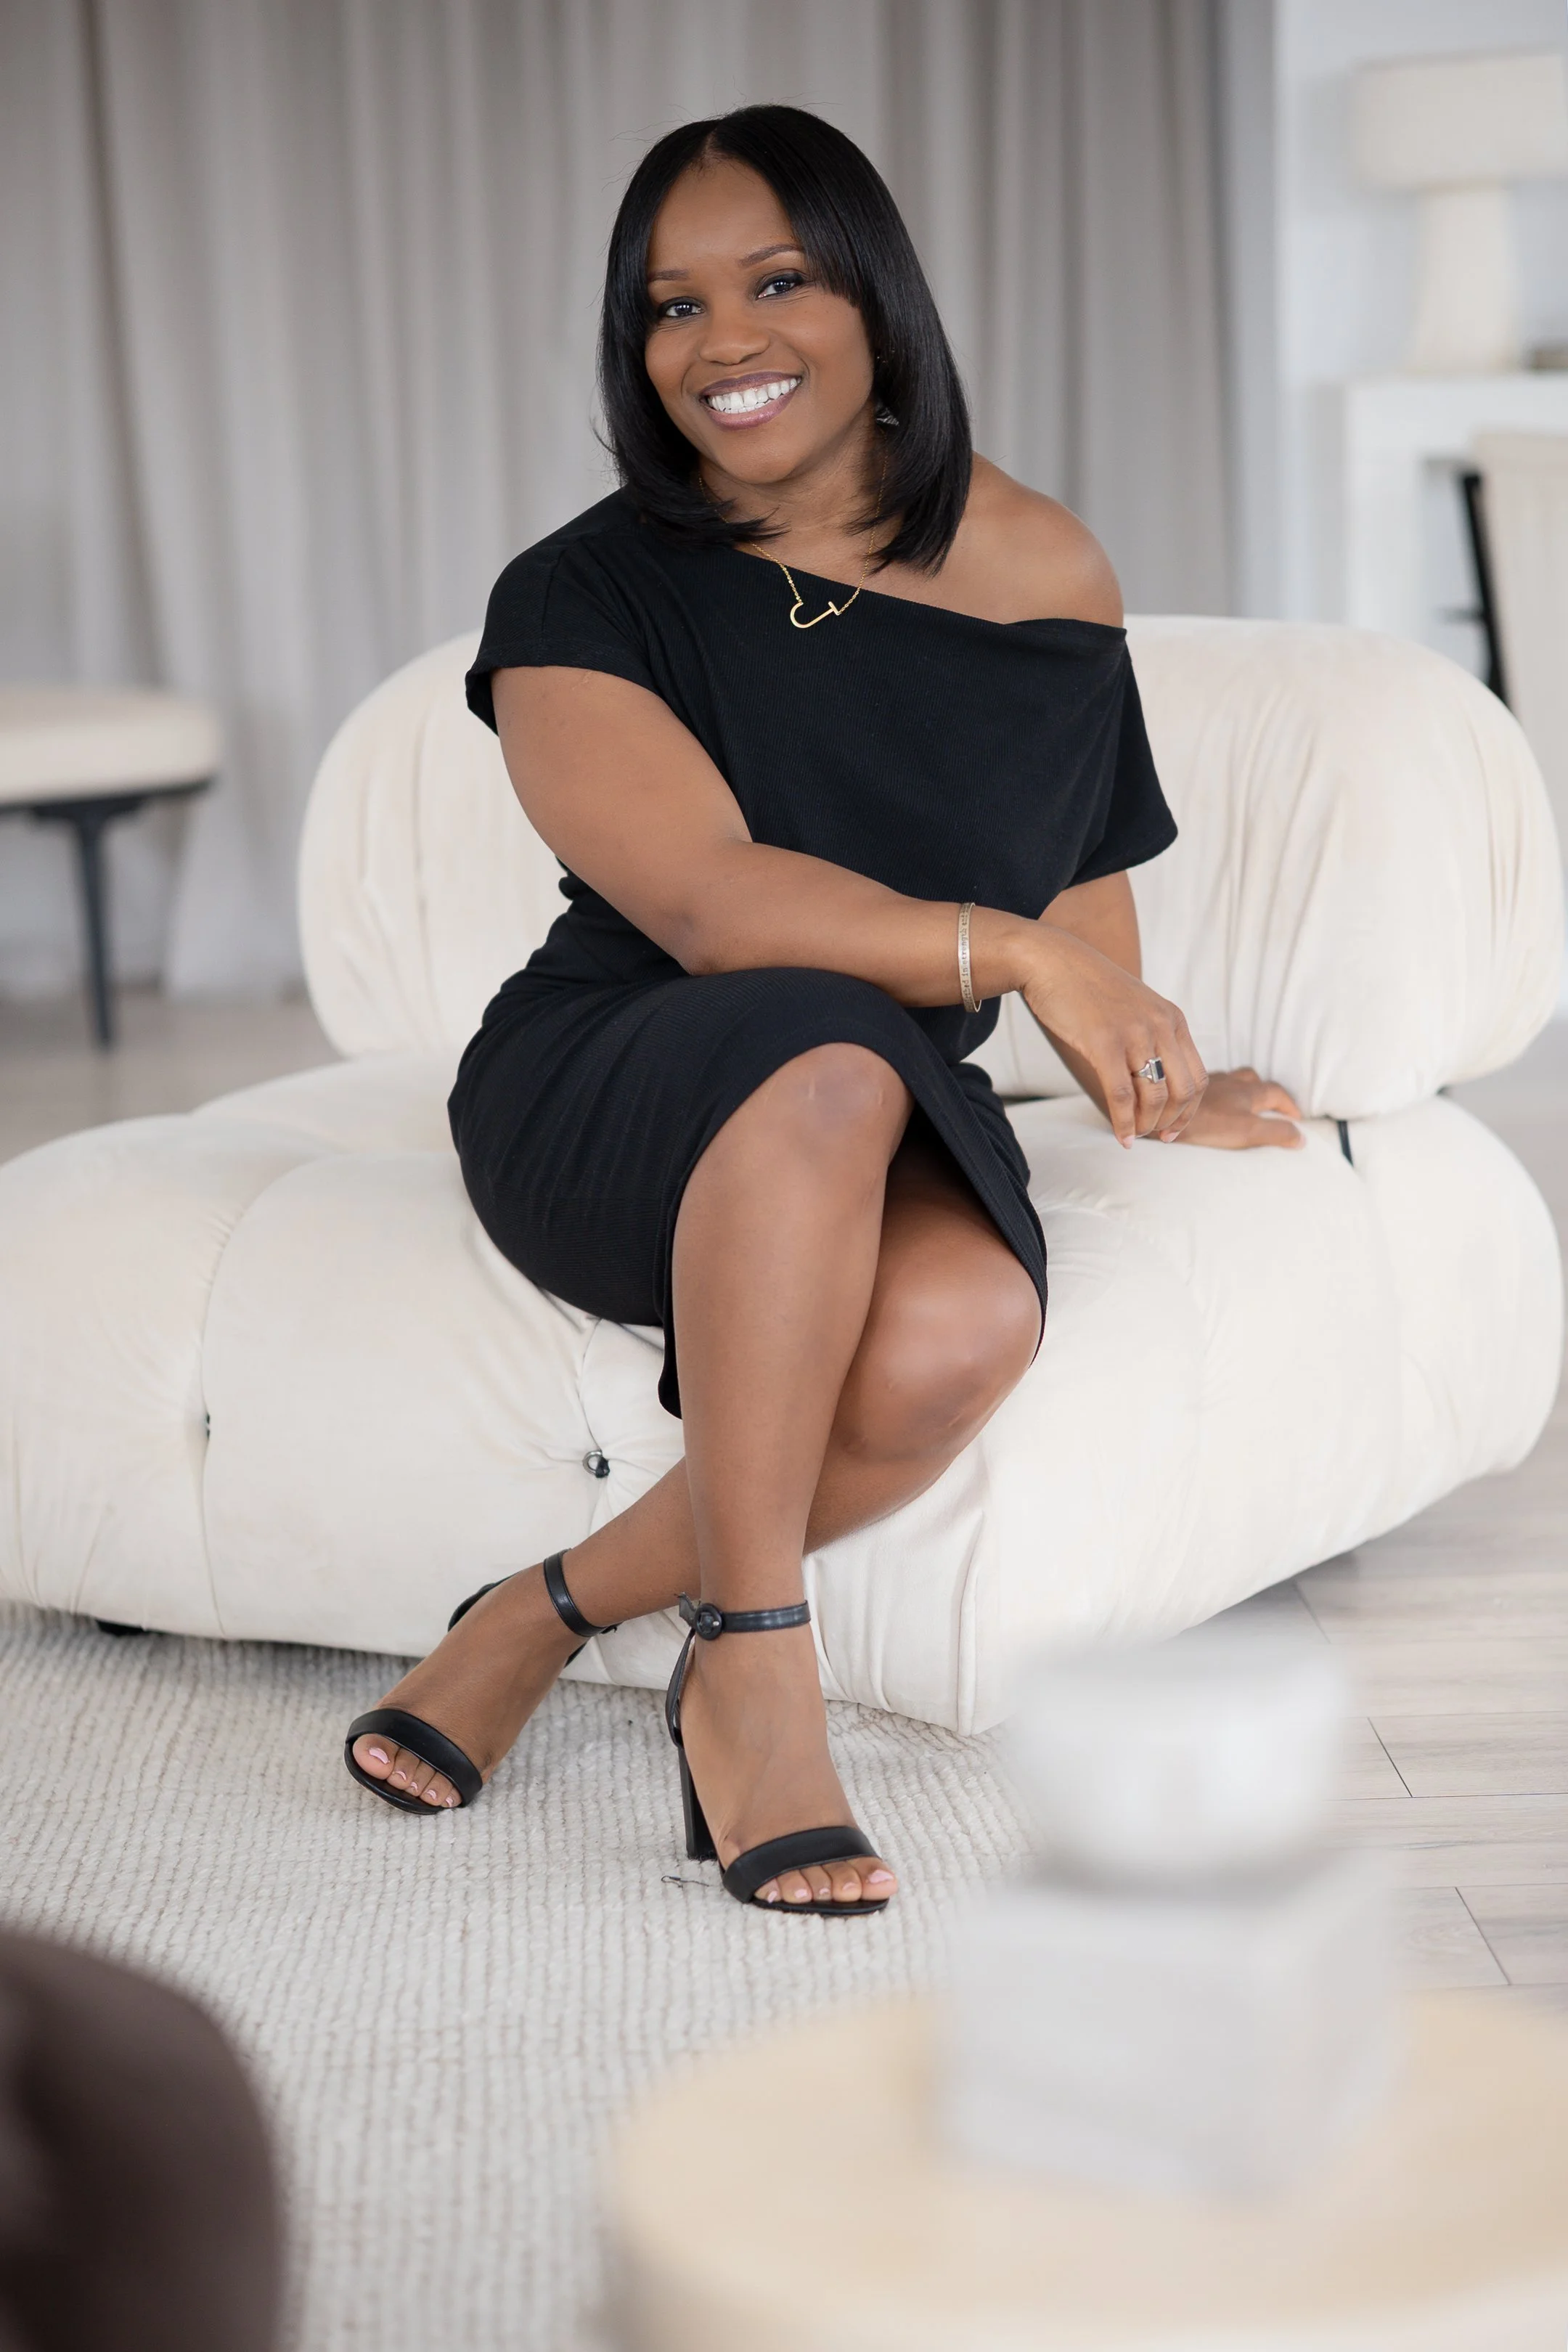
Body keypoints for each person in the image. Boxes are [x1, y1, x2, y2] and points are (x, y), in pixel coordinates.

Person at [343, 105, 1304, 1915]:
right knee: (817, 1048)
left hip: (872, 1103)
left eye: (776, 280)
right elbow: (711, 909)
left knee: (955, 1330)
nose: (725, 341)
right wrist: (1013, 959)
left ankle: (536, 1615)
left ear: (876, 298)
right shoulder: (578, 594)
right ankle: (755, 1663)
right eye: (672, 305)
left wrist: (1158, 1071)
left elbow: (1077, 889)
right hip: (612, 1089)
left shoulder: (1040, 564)